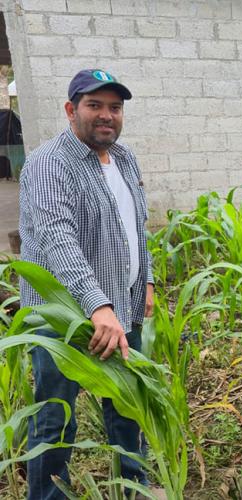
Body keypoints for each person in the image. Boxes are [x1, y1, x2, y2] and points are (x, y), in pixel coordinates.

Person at [19, 69, 159, 499]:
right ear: (70, 110)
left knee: (128, 406)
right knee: (56, 416)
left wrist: (147, 281)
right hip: (63, 316)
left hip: (122, 308)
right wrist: (98, 306)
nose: (106, 116)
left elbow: (137, 225)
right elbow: (57, 239)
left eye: (114, 107)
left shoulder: (125, 157)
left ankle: (133, 489)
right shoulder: (48, 164)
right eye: (94, 105)